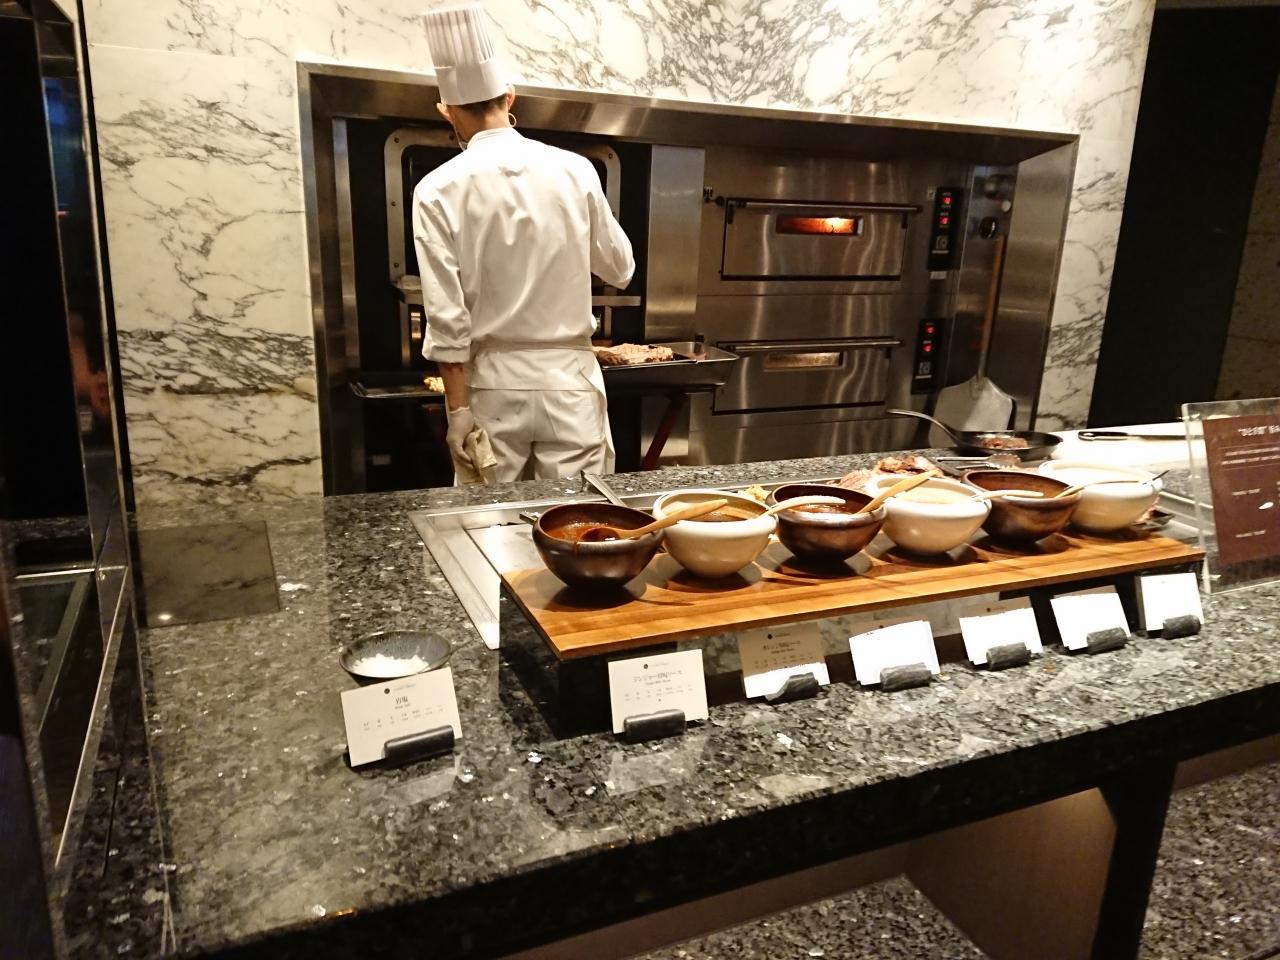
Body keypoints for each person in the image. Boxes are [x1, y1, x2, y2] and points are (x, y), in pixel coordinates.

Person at [414, 2, 635, 484]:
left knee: (489, 522)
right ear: (510, 97)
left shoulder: (435, 188)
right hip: (569, 382)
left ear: (446, 111)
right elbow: (621, 269)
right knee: (576, 516)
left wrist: (457, 412)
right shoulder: (576, 170)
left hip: (491, 387)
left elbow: (446, 316)